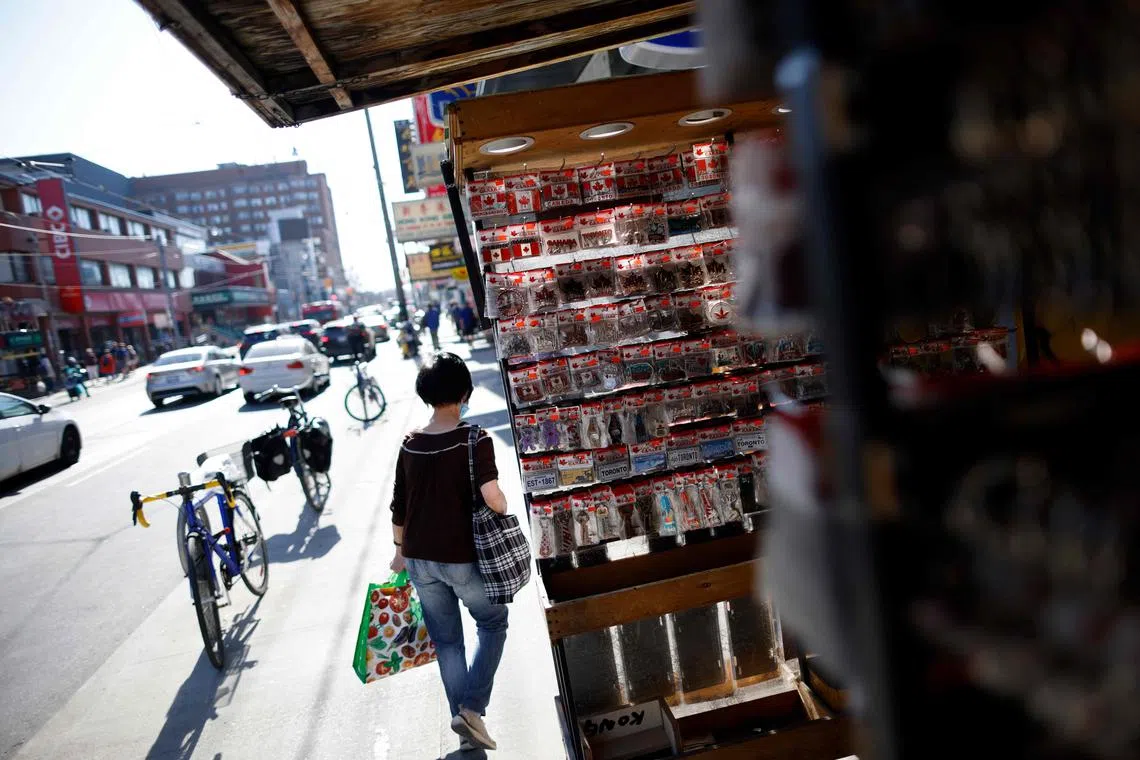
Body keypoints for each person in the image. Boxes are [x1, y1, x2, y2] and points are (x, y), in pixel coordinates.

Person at [389, 354, 510, 752]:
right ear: (464, 393)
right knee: (493, 622)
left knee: (448, 643)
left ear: (426, 395)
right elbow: (493, 499)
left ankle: (466, 725)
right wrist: (503, 504)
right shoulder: (474, 439)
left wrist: (398, 551)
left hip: (419, 558)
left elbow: (399, 504)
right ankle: (472, 708)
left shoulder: (411, 443)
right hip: (461, 557)